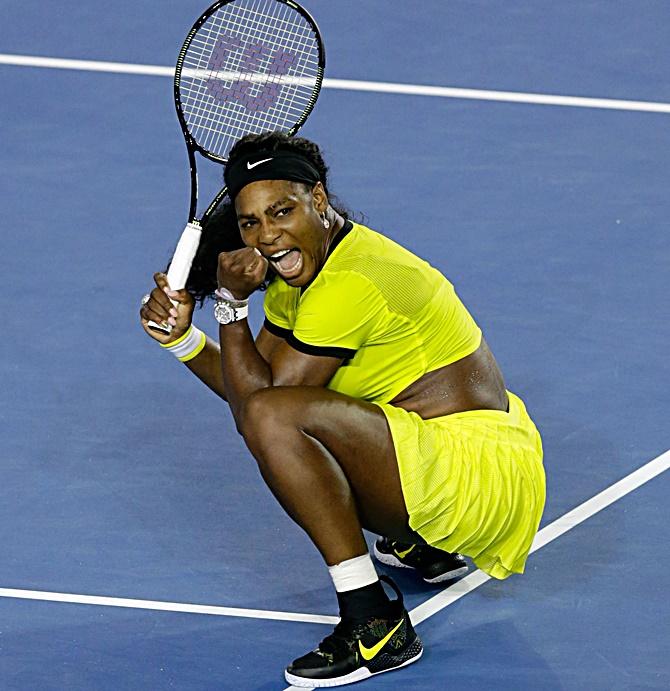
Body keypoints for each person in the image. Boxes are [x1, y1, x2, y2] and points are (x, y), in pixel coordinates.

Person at [139, 131, 545, 688]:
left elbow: (263, 408)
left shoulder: (351, 282)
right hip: (454, 457)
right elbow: (252, 391)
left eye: (282, 211)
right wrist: (182, 341)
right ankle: (415, 539)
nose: (267, 235)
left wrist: (231, 308)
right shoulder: (302, 271)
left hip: (476, 481)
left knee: (277, 418)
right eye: (251, 222)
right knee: (277, 416)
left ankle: (373, 619)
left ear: (319, 199)